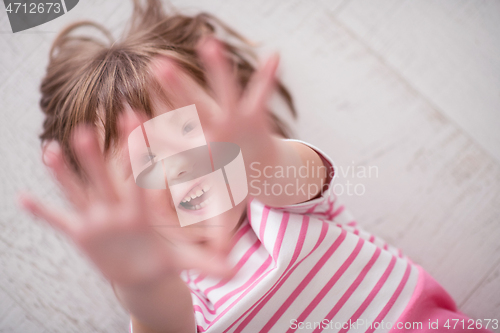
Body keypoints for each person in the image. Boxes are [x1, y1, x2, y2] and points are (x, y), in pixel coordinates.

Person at [18, 0, 495, 332]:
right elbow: (163, 321)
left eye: (190, 129)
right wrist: (136, 278)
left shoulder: (279, 200)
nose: (181, 164)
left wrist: (255, 150)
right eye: (146, 160)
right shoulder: (174, 288)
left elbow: (285, 169)